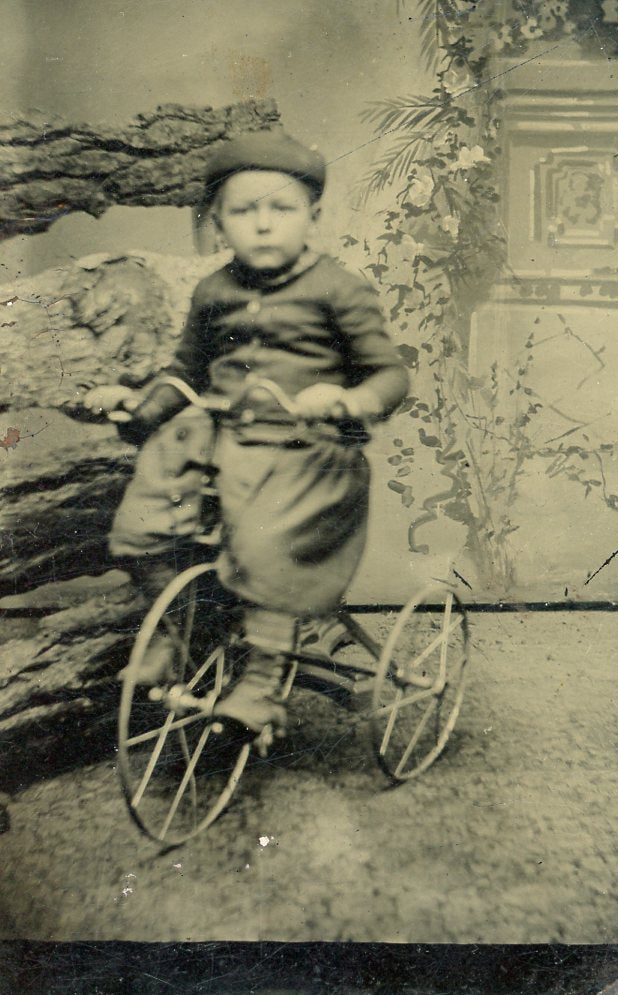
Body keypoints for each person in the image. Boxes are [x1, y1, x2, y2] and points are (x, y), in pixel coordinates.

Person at [89, 129, 409, 739]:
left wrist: (348, 398)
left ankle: (261, 684)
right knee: (143, 522)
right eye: (243, 210)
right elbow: (185, 371)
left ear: (313, 217)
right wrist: (139, 405)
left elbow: (390, 374)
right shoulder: (214, 291)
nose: (263, 225)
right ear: (215, 223)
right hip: (225, 438)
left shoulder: (338, 288)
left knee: (265, 550)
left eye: (281, 209)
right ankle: (177, 634)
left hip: (307, 451)